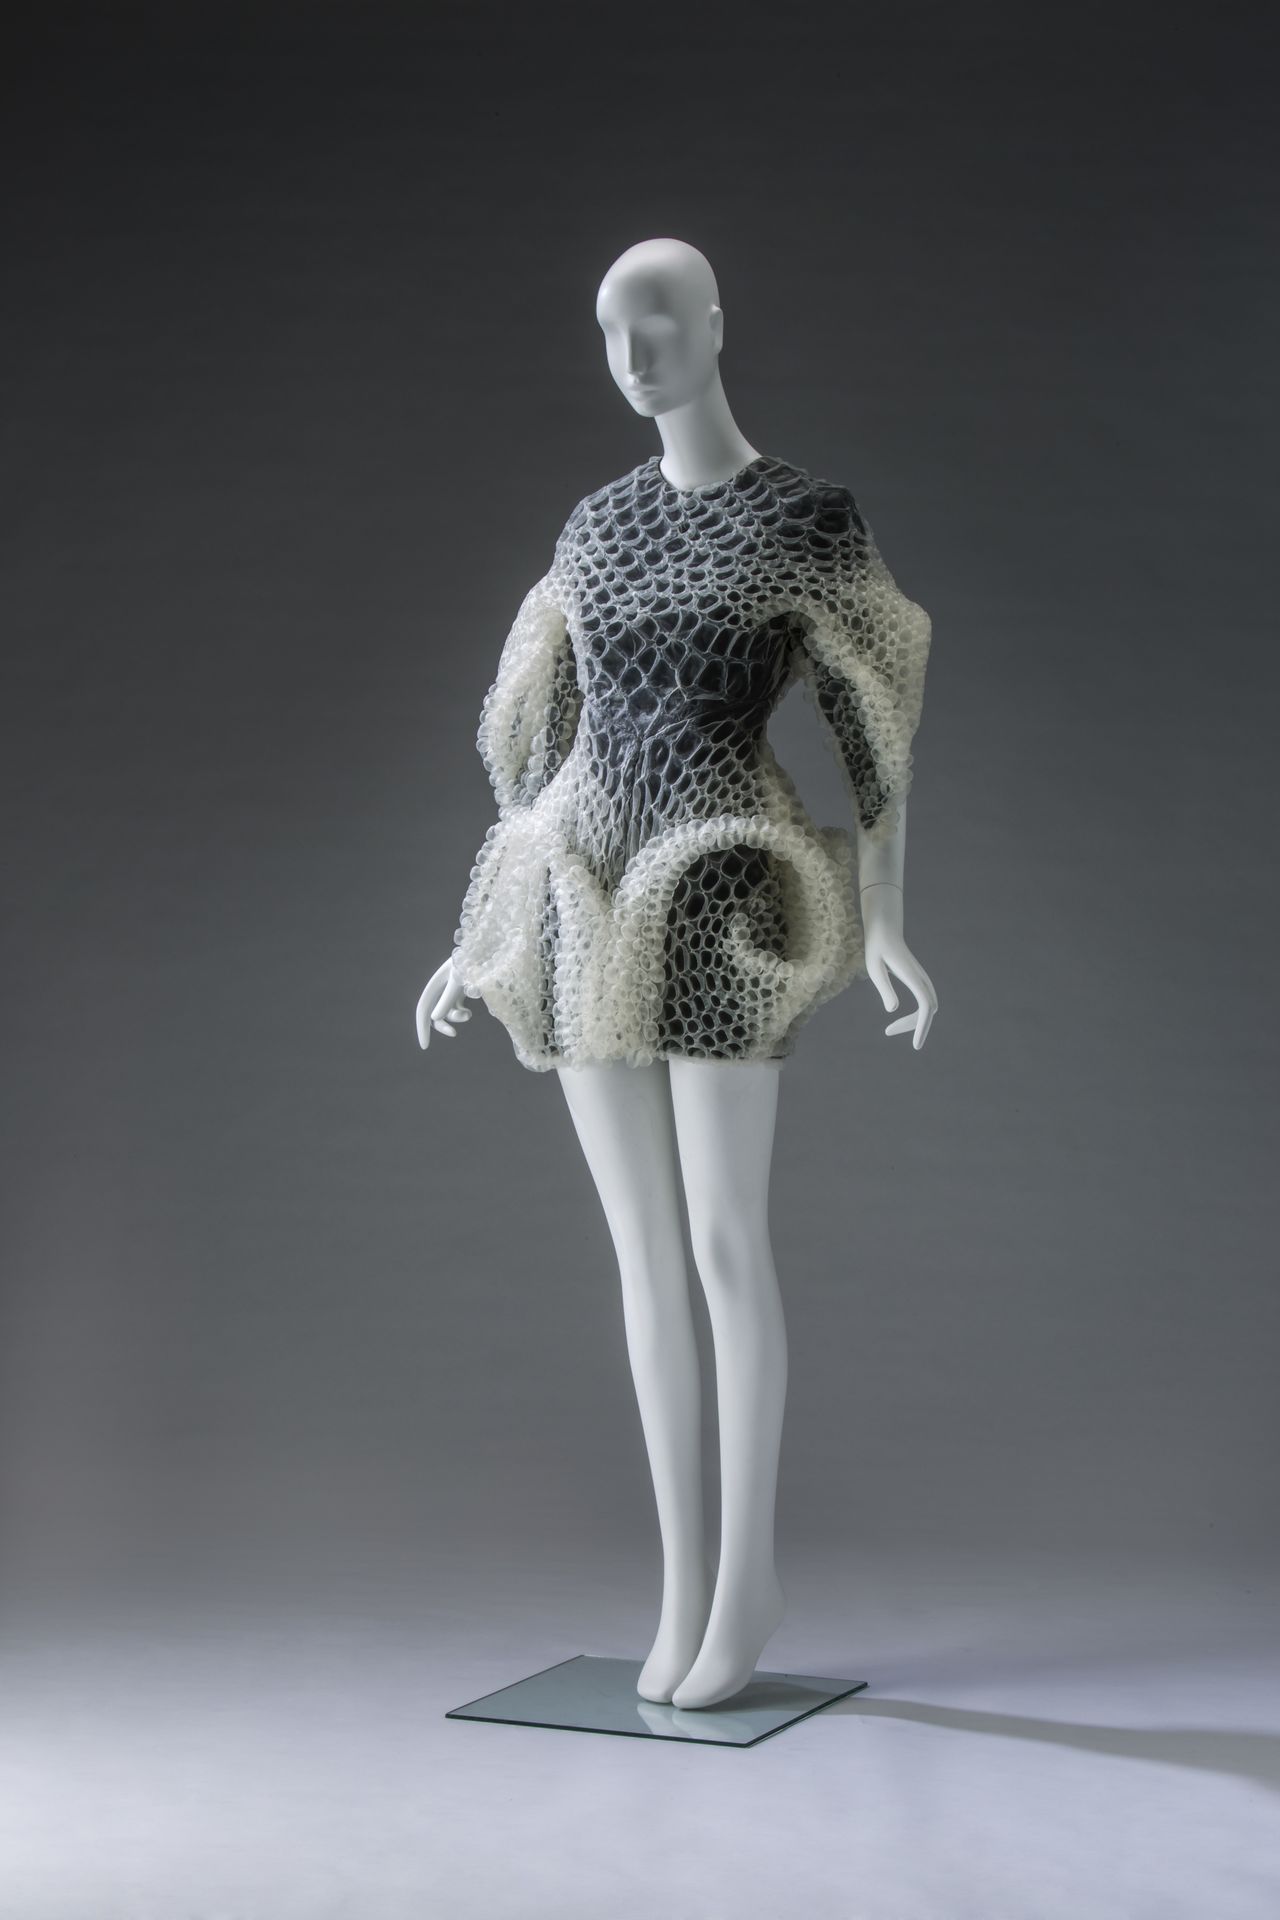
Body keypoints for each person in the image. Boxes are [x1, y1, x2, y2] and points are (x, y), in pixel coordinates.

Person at [417, 238, 937, 1709]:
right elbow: (543, 742)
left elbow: (875, 716)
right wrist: (479, 928)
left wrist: (885, 915)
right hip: (584, 892)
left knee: (720, 1241)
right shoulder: (593, 525)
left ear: (713, 325)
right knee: (642, 1254)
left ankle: (747, 1577)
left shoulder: (804, 517)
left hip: (722, 888)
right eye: (609, 331)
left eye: (656, 323)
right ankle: (682, 1581)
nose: (633, 357)